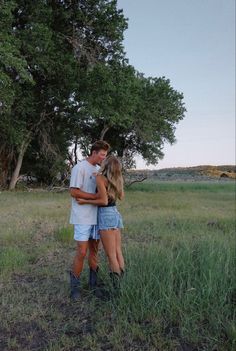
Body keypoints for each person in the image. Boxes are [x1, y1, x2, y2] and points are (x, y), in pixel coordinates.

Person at [69, 140, 110, 300]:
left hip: (97, 216)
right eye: (102, 155)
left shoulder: (99, 170)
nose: (103, 158)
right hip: (82, 217)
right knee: (82, 251)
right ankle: (75, 287)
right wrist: (95, 196)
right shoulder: (79, 168)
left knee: (94, 251)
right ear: (94, 152)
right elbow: (73, 191)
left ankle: (94, 285)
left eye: (105, 156)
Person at [77, 155, 125, 290]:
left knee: (111, 256)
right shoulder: (118, 178)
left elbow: (103, 201)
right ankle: (122, 285)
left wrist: (85, 201)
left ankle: (116, 290)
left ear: (106, 165)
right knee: (117, 251)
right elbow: (121, 196)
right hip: (115, 213)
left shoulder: (100, 179)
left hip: (105, 215)